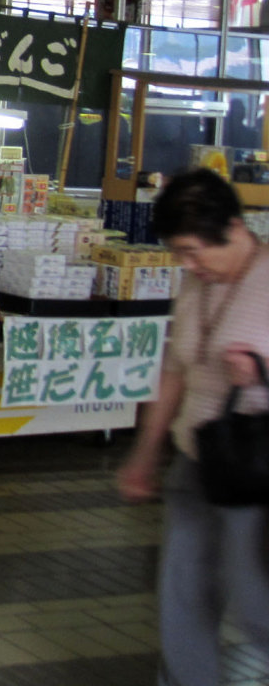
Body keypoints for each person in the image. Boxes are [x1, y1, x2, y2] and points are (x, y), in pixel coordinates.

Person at [117, 169, 269, 685]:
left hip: (256, 474)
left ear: (233, 228)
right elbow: (176, 371)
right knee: (183, 596)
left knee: (256, 603)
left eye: (192, 251)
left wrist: (260, 372)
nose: (187, 264)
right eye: (178, 253)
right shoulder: (196, 284)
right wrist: (144, 455)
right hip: (196, 460)